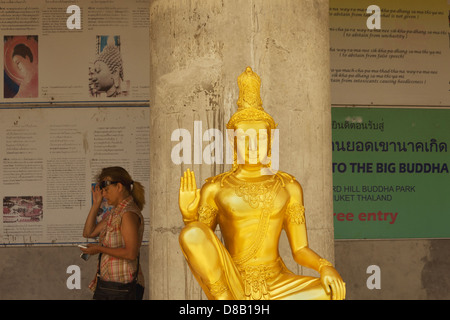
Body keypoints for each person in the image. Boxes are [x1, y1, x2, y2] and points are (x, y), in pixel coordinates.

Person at [178, 67, 346, 300]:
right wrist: (189, 218)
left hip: (277, 282)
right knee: (191, 233)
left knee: (327, 291)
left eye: (260, 137)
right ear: (232, 142)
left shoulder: (288, 187)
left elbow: (299, 250)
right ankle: (227, 301)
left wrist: (324, 266)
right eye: (245, 139)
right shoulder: (216, 188)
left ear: (270, 141)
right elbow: (203, 247)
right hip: (232, 280)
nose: (253, 146)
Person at [81, 166, 145, 300]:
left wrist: (99, 249)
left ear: (119, 187)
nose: (104, 195)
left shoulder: (128, 213)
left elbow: (130, 253)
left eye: (106, 190)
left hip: (122, 288)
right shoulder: (114, 213)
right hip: (108, 286)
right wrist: (96, 204)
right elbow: (88, 232)